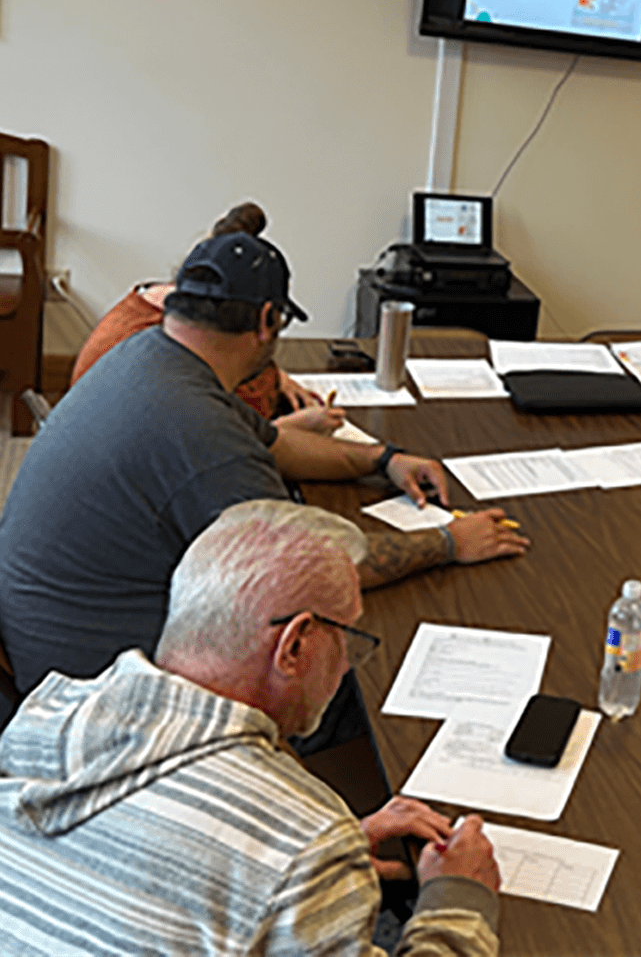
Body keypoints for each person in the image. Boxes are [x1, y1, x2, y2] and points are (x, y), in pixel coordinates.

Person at [0, 230, 529, 696]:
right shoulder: (197, 425)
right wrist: (449, 543)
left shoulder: (152, 357)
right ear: (267, 320)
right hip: (92, 688)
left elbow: (274, 443)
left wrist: (383, 458)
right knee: (355, 667)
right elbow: (319, 567)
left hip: (46, 640)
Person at [0, 500, 503, 955]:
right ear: (295, 646)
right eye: (346, 635)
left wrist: (313, 861)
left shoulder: (49, 711)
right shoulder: (308, 839)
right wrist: (458, 896)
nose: (349, 661)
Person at [70, 201, 343, 435]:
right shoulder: (182, 364)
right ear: (263, 319)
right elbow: (225, 440)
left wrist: (277, 378)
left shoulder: (148, 310)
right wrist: (286, 430)